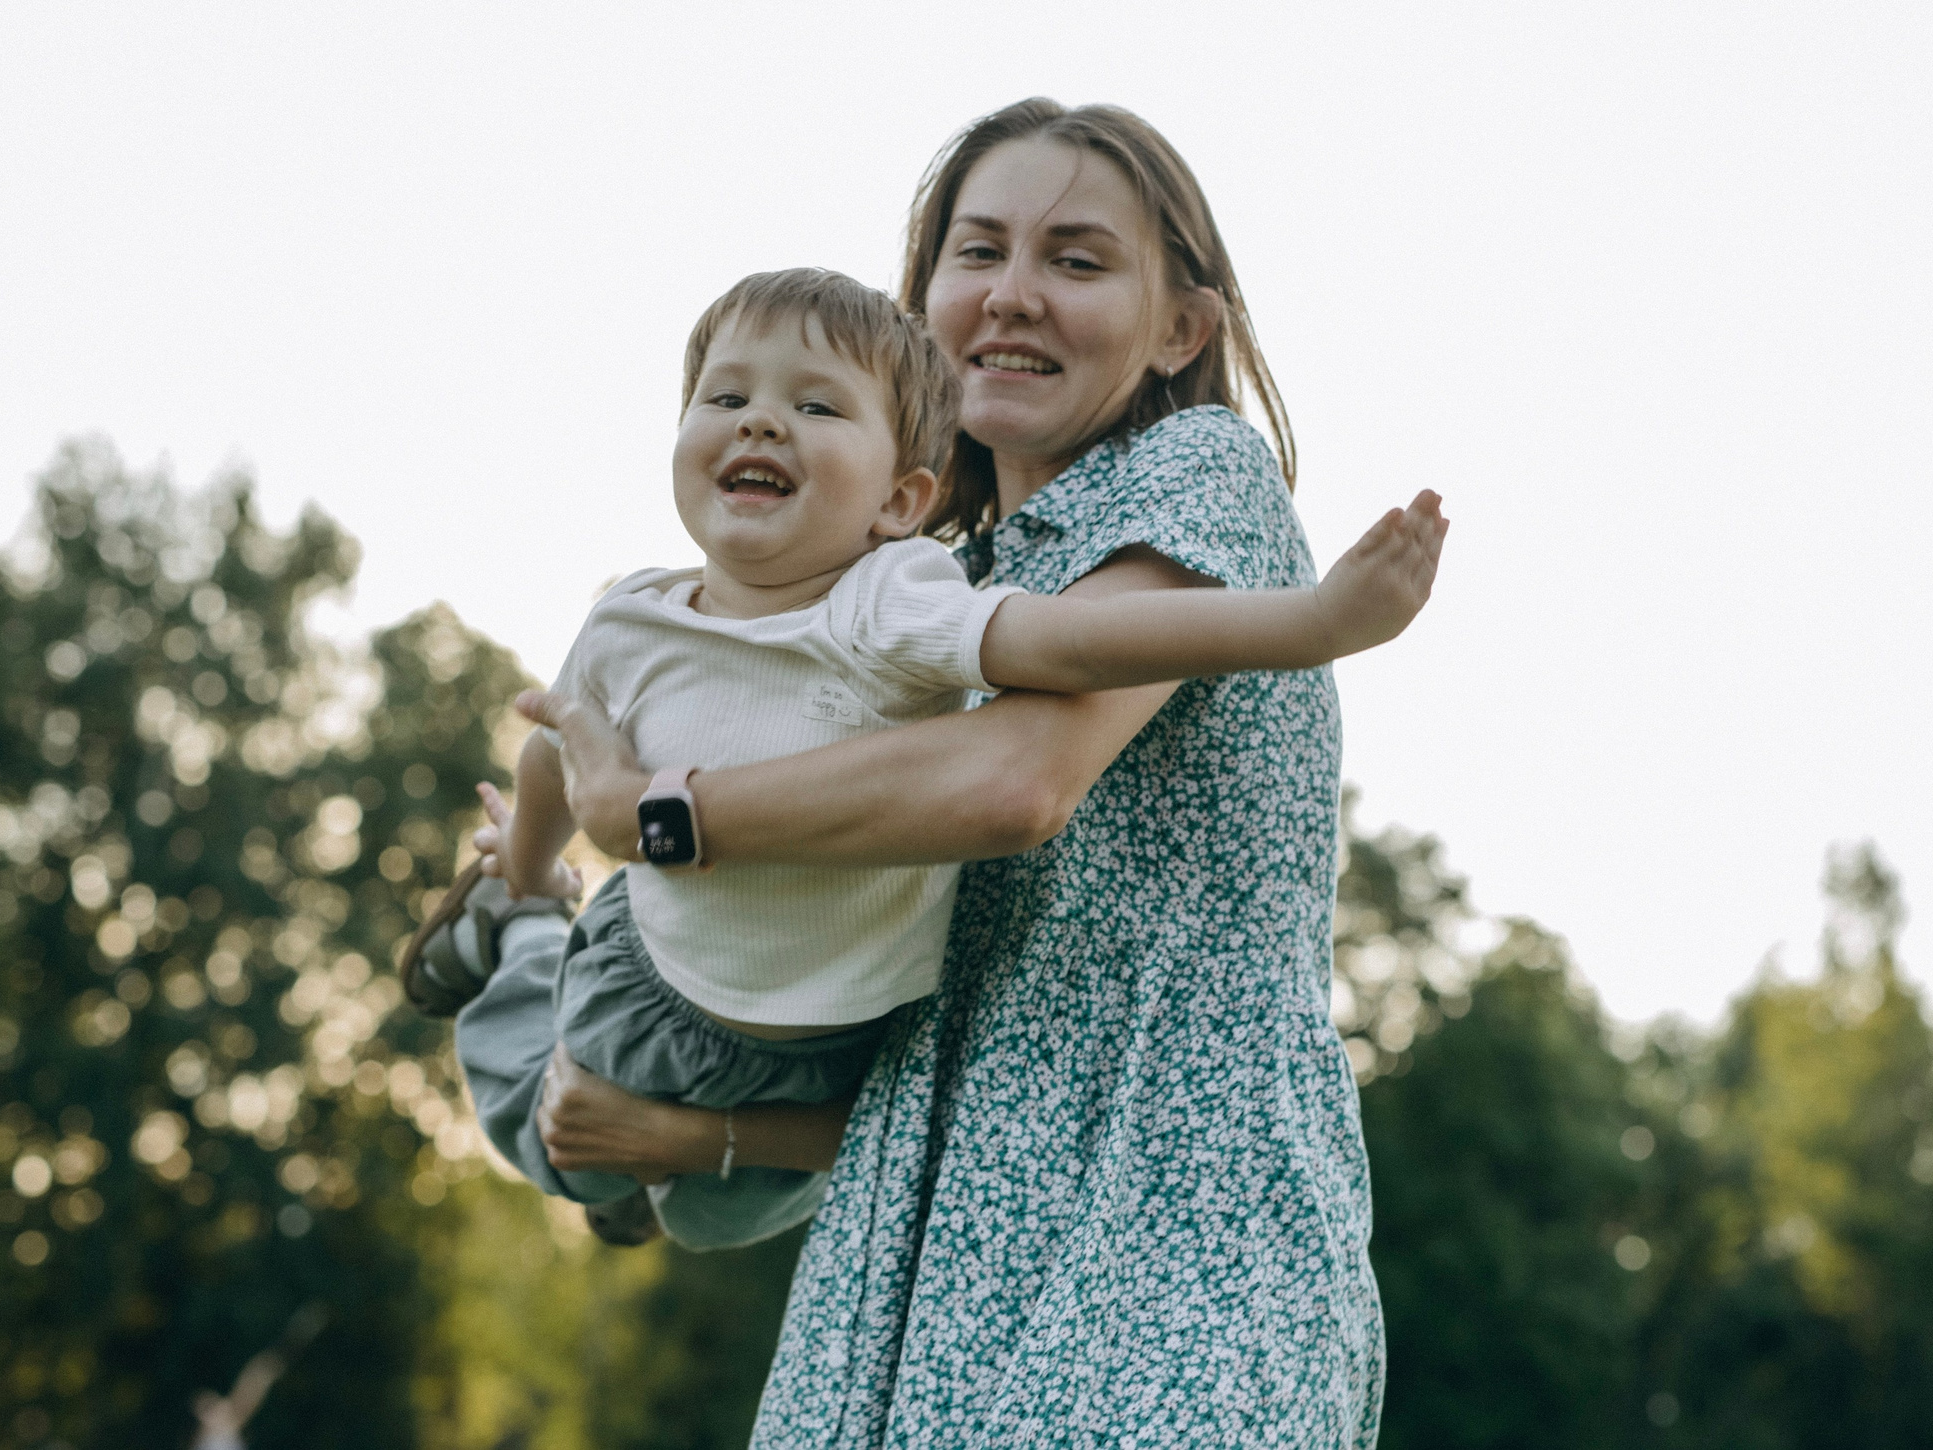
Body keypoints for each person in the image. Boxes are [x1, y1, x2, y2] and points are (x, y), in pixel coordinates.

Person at [496, 99, 1397, 1444]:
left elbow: (1018, 780)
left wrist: (662, 812)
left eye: (1078, 261)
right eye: (977, 254)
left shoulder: (1197, 472)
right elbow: (948, 1060)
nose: (1013, 296)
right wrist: (692, 1137)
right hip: (912, 1286)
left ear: (1179, 330)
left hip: (1173, 1251)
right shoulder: (925, 593)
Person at [411, 266, 1444, 1251]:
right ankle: (524, 931)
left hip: (842, 1048)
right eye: (726, 395)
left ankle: (649, 1171)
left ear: (901, 501)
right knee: (557, 1140)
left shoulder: (890, 604)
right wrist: (536, 865)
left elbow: (1073, 644)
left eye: (816, 408)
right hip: (661, 992)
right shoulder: (630, 620)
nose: (761, 420)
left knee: (710, 1216)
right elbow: (557, 750)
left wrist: (1311, 624)